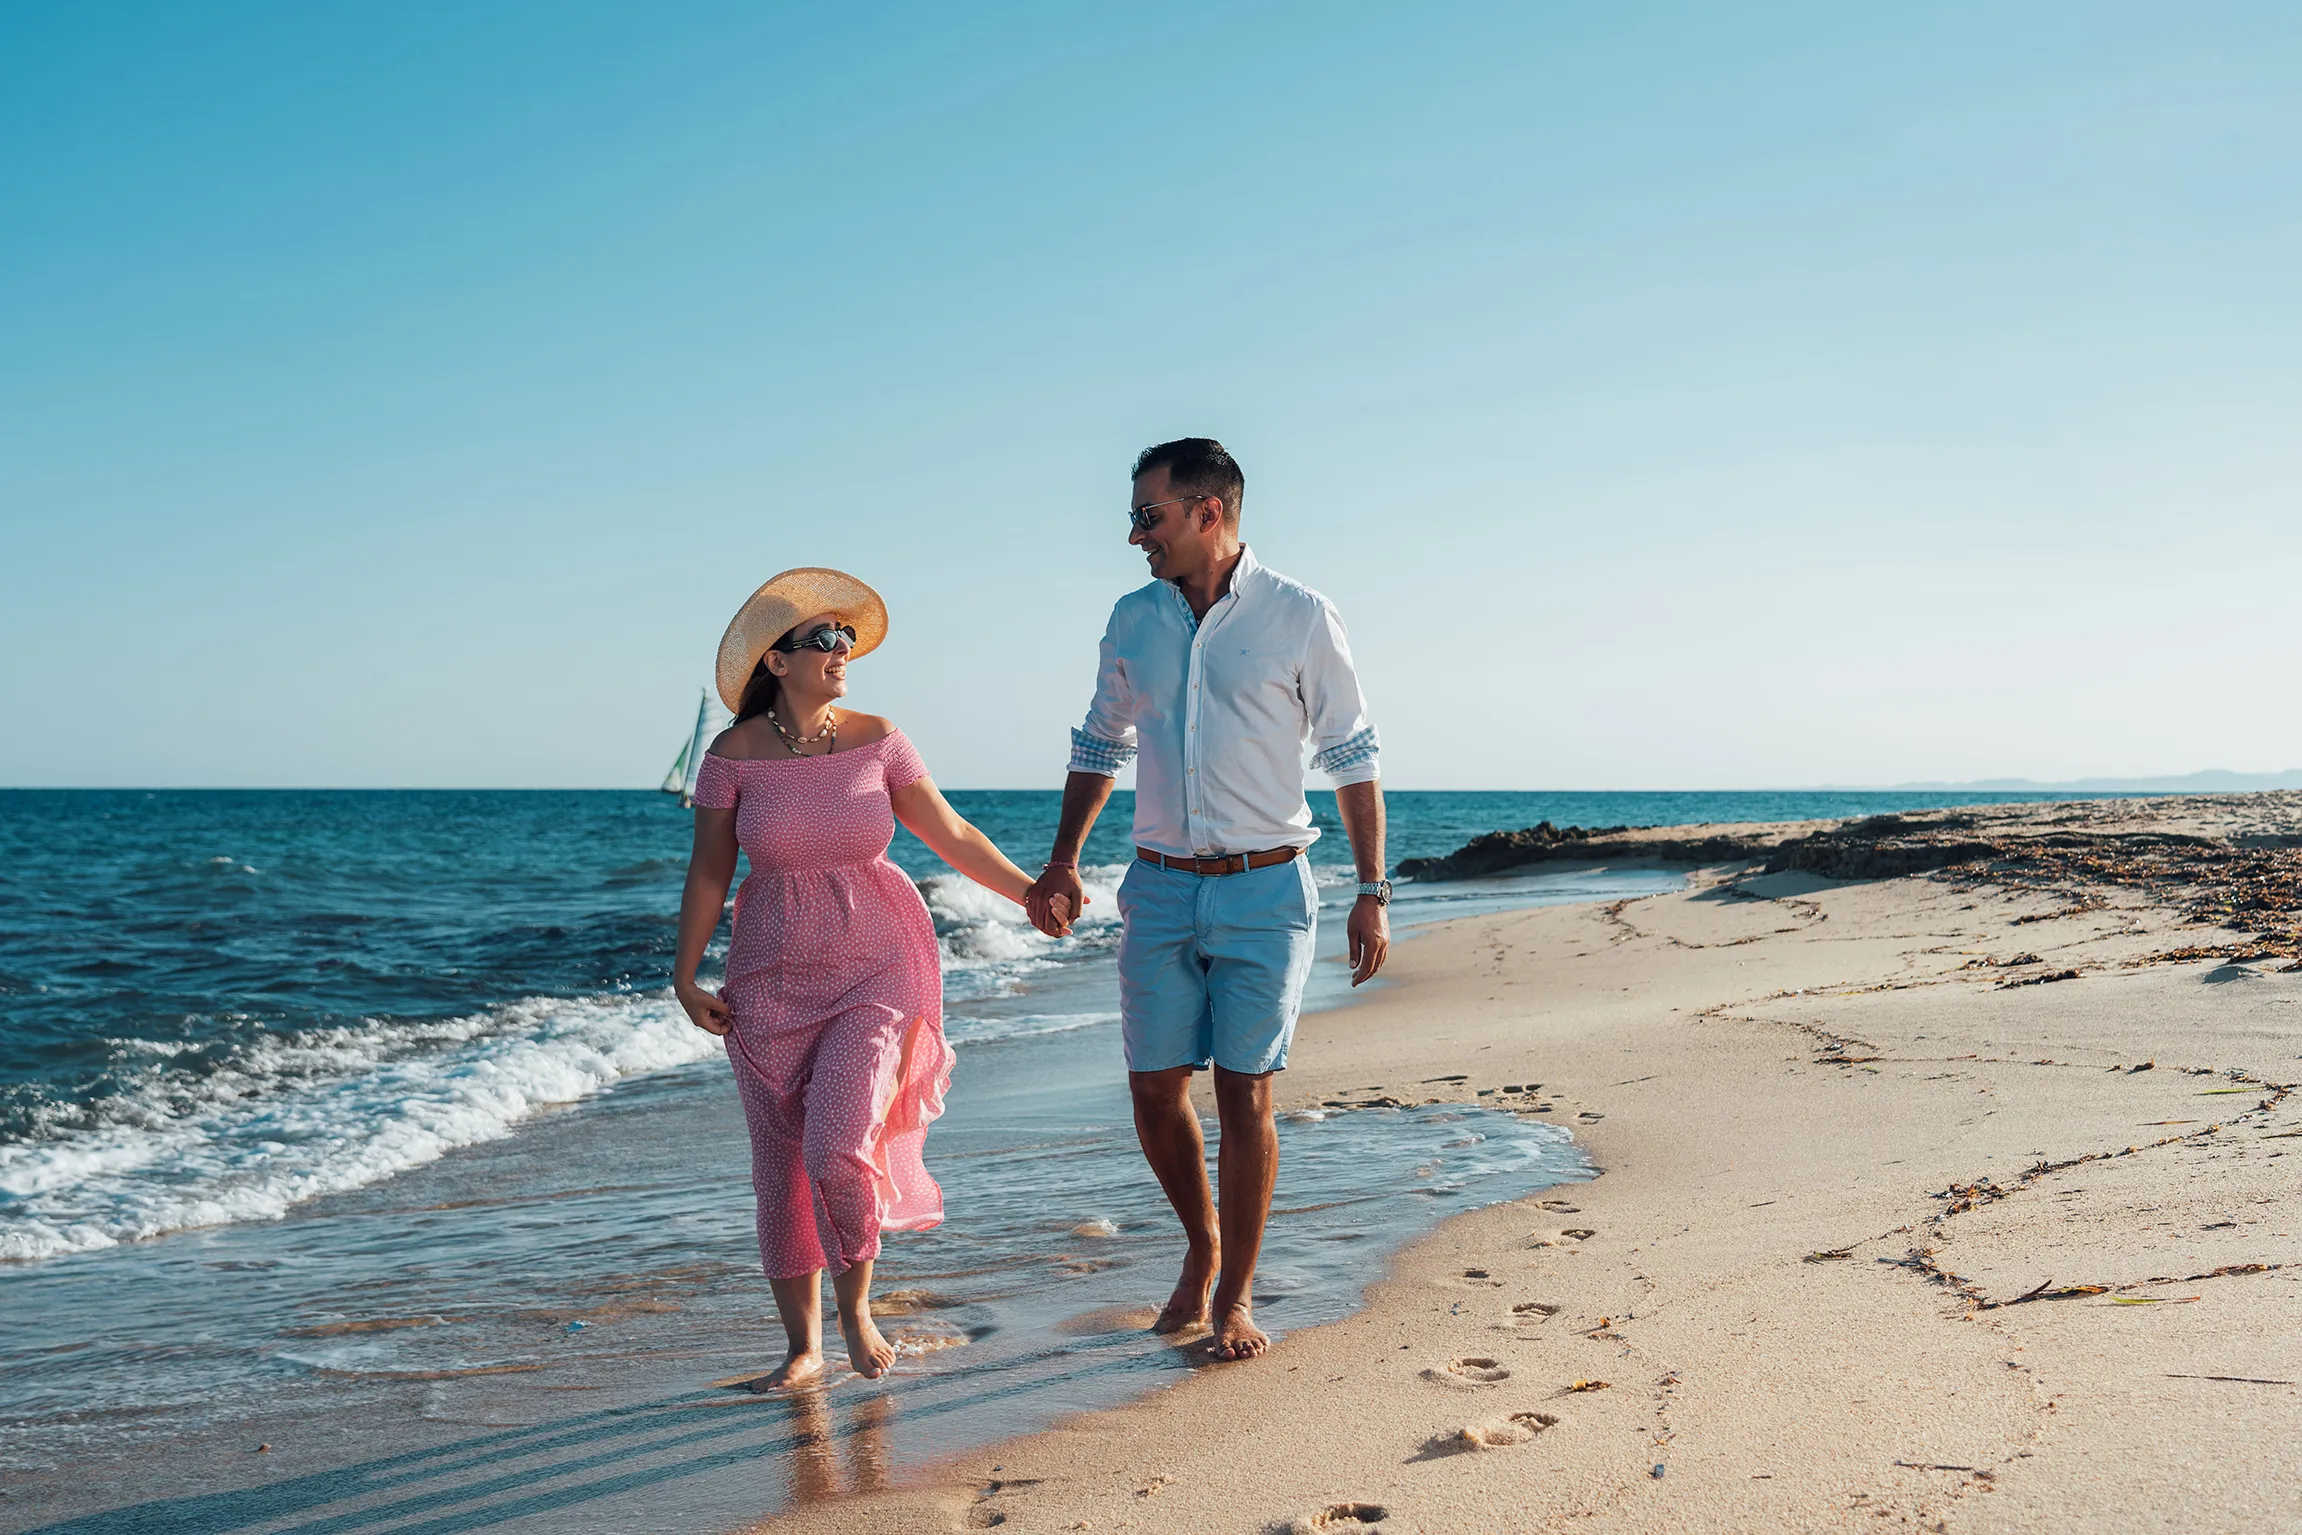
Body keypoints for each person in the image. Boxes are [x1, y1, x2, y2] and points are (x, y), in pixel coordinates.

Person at [1025, 439, 1390, 1362]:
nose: (1135, 535)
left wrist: (1373, 890)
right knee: (1153, 1091)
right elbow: (1099, 741)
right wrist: (1063, 861)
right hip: (1156, 887)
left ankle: (1233, 1294)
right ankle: (1202, 1241)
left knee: (1244, 1094)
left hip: (1267, 888)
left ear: (1206, 512)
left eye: (1148, 515)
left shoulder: (1301, 616)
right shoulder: (1133, 617)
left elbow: (1351, 754)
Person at [672, 567, 1054, 1389]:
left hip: (878, 963)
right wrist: (684, 970)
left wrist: (1029, 891)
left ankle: (858, 1308)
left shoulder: (880, 737)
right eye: (823, 639)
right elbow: (710, 870)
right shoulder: (729, 758)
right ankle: (801, 1347)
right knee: (780, 1170)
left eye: (846, 638)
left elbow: (950, 831)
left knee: (840, 1144)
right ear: (776, 662)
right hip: (768, 977)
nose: (842, 650)